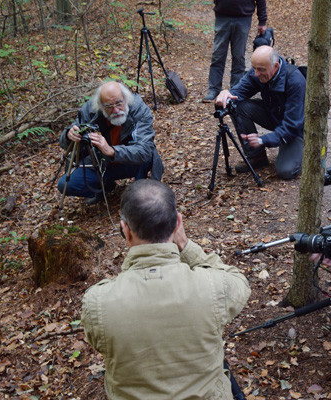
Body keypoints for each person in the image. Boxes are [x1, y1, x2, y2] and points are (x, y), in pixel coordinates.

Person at [81, 179, 251, 399]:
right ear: (177, 223)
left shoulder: (98, 302)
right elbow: (240, 282)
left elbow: (99, 341)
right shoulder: (214, 287)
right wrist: (187, 247)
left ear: (125, 230)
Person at [57, 81, 163, 205]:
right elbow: (64, 144)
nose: (116, 110)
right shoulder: (89, 111)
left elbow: (144, 150)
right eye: (109, 106)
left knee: (148, 155)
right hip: (100, 164)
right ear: (101, 106)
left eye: (119, 103)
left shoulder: (139, 110)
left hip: (131, 163)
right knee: (66, 185)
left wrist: (111, 151)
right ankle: (105, 187)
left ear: (126, 99)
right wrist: (69, 135)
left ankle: (141, 194)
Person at [215, 45, 306, 179]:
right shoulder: (258, 72)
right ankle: (257, 157)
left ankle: (306, 149)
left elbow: (292, 125)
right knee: (237, 106)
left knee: (285, 171)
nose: (256, 74)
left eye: (261, 70)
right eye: (254, 68)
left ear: (275, 66)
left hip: (296, 128)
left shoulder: (295, 81)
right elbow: (237, 93)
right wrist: (226, 94)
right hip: (275, 116)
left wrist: (263, 140)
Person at [202, 0, 267, 102]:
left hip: (243, 17)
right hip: (222, 16)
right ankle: (213, 90)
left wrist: (262, 20)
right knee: (217, 55)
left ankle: (235, 91)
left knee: (239, 55)